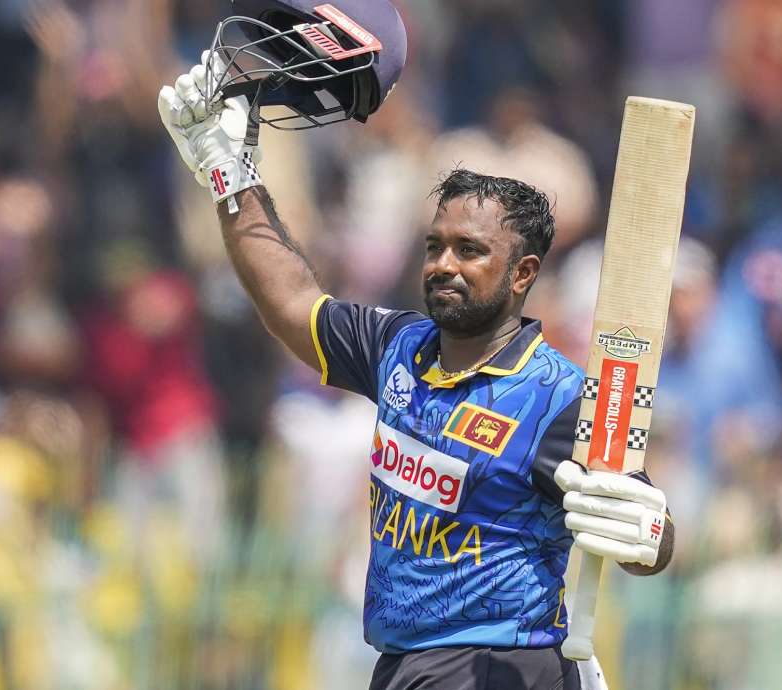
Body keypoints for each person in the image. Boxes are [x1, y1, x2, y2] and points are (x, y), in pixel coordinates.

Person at [155, 7, 674, 689]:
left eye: (469, 251)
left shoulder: (556, 398)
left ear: (523, 274)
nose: (444, 265)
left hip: (502, 666)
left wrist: (649, 530)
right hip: (404, 666)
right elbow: (289, 303)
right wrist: (227, 175)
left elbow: (642, 530)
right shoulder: (397, 347)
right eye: (435, 247)